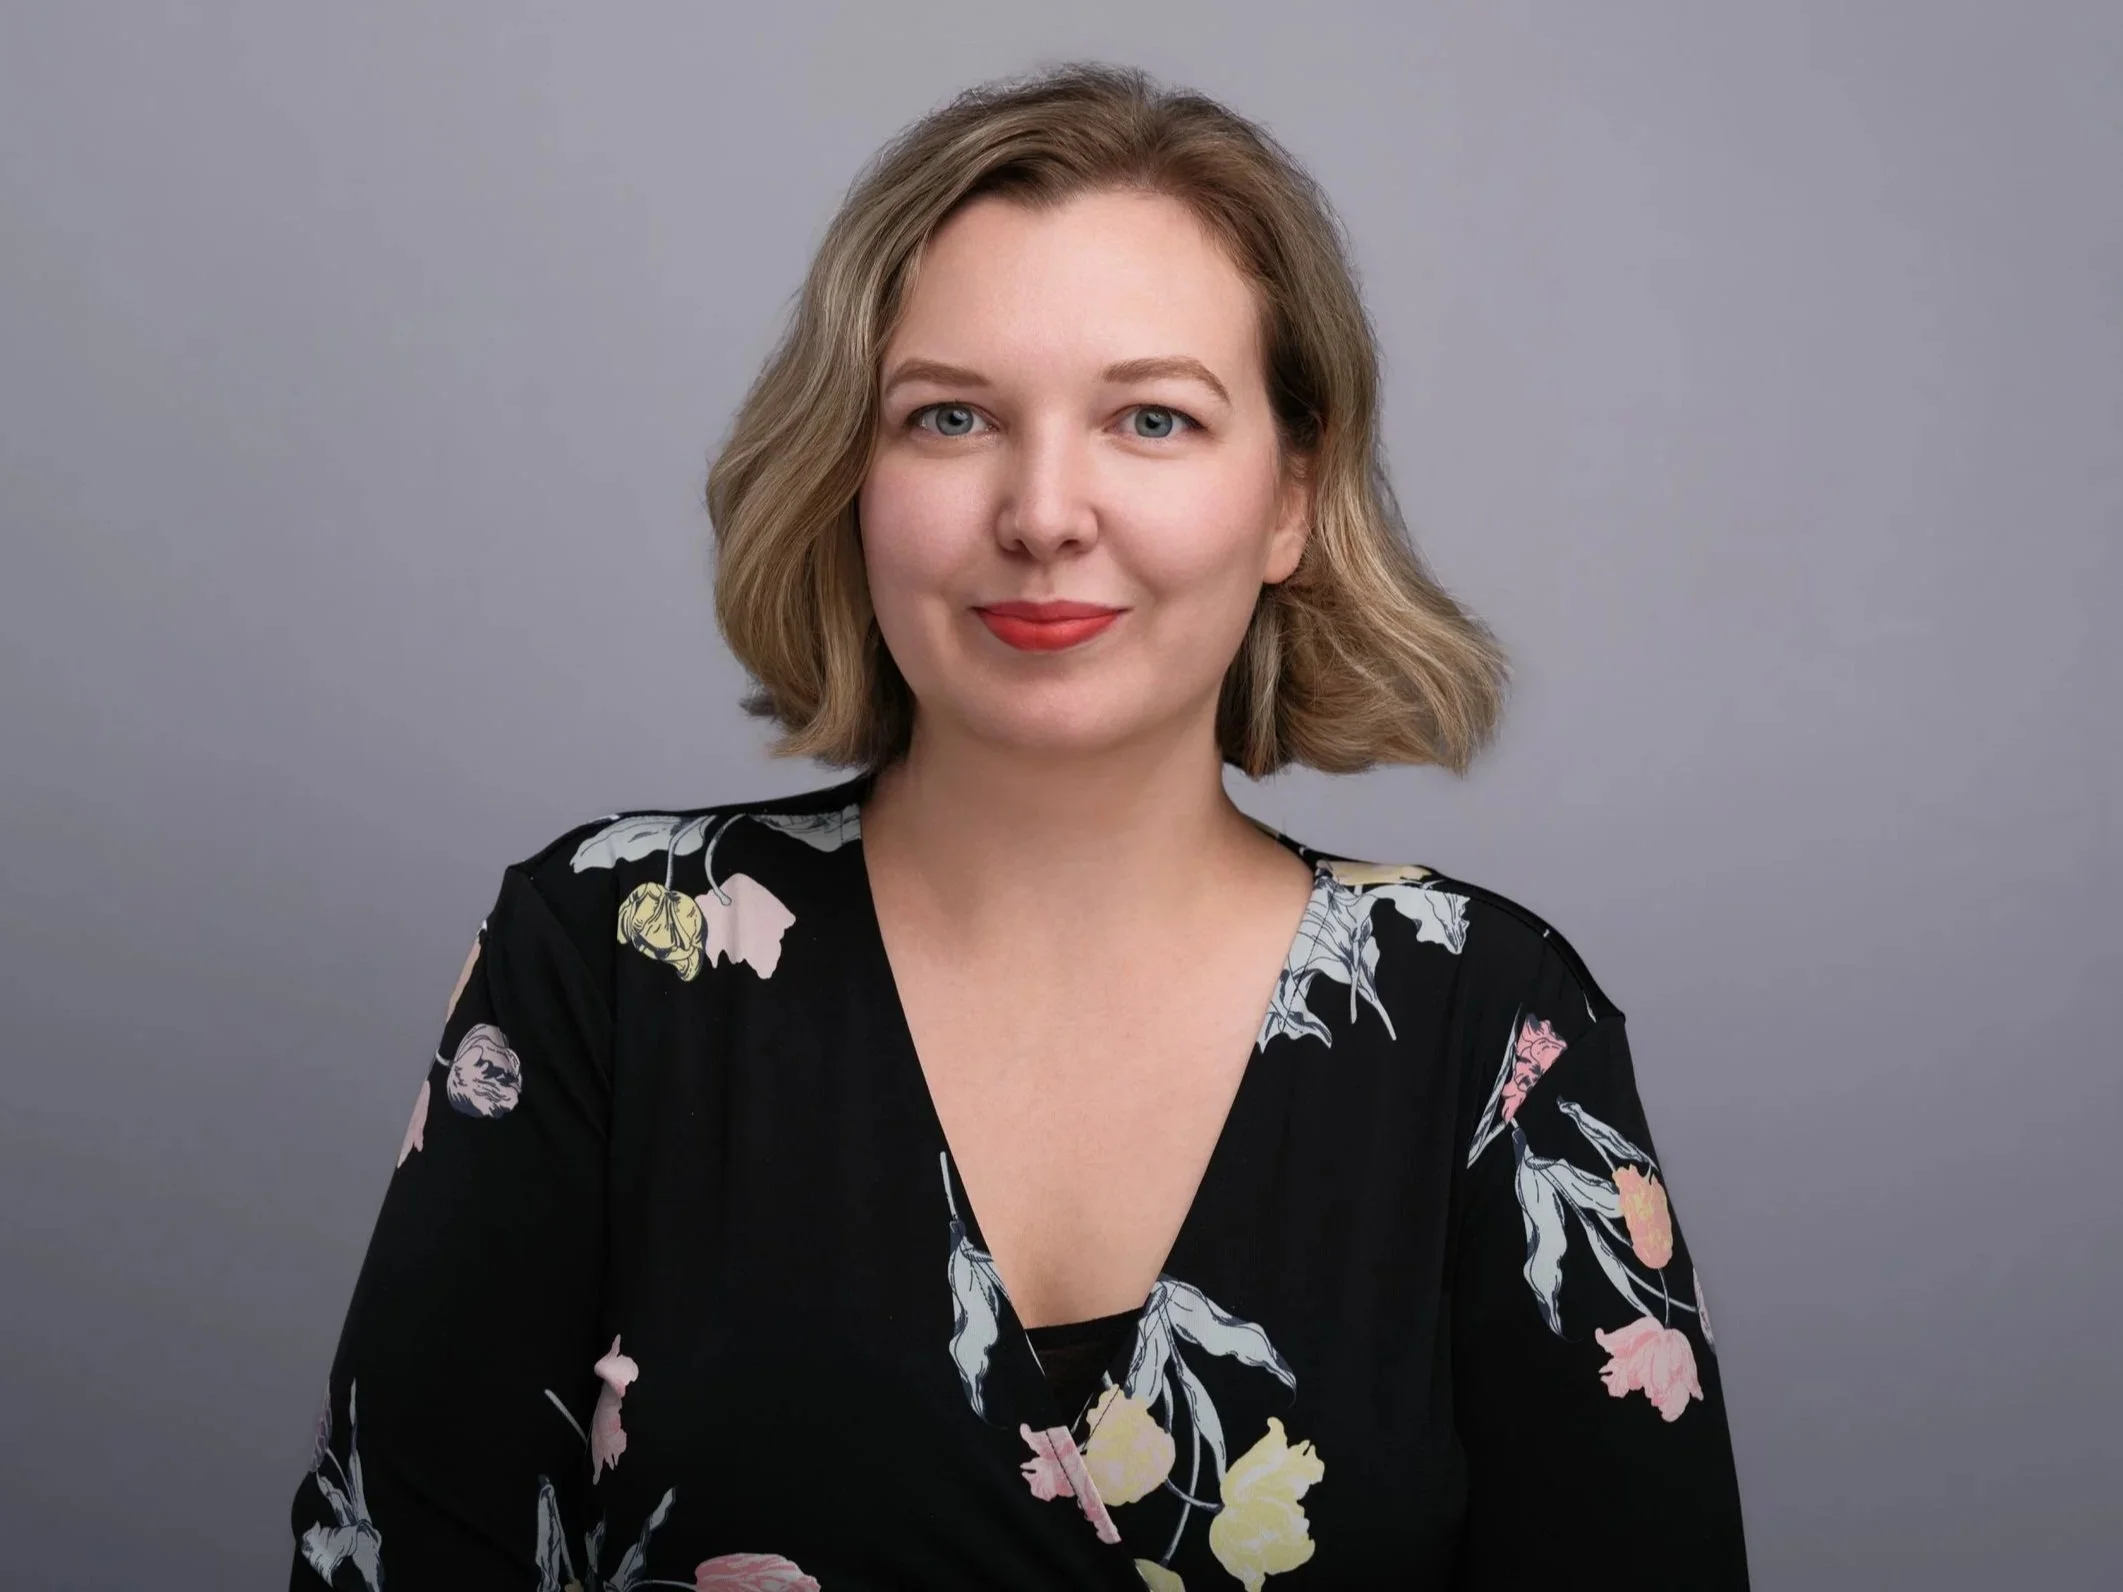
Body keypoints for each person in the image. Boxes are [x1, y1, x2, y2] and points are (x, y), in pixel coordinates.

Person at [290, 60, 1748, 1592]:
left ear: (1288, 502)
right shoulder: (610, 955)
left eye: (1153, 420)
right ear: (851, 476)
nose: (1045, 511)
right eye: (952, 416)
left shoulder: (1489, 1021)